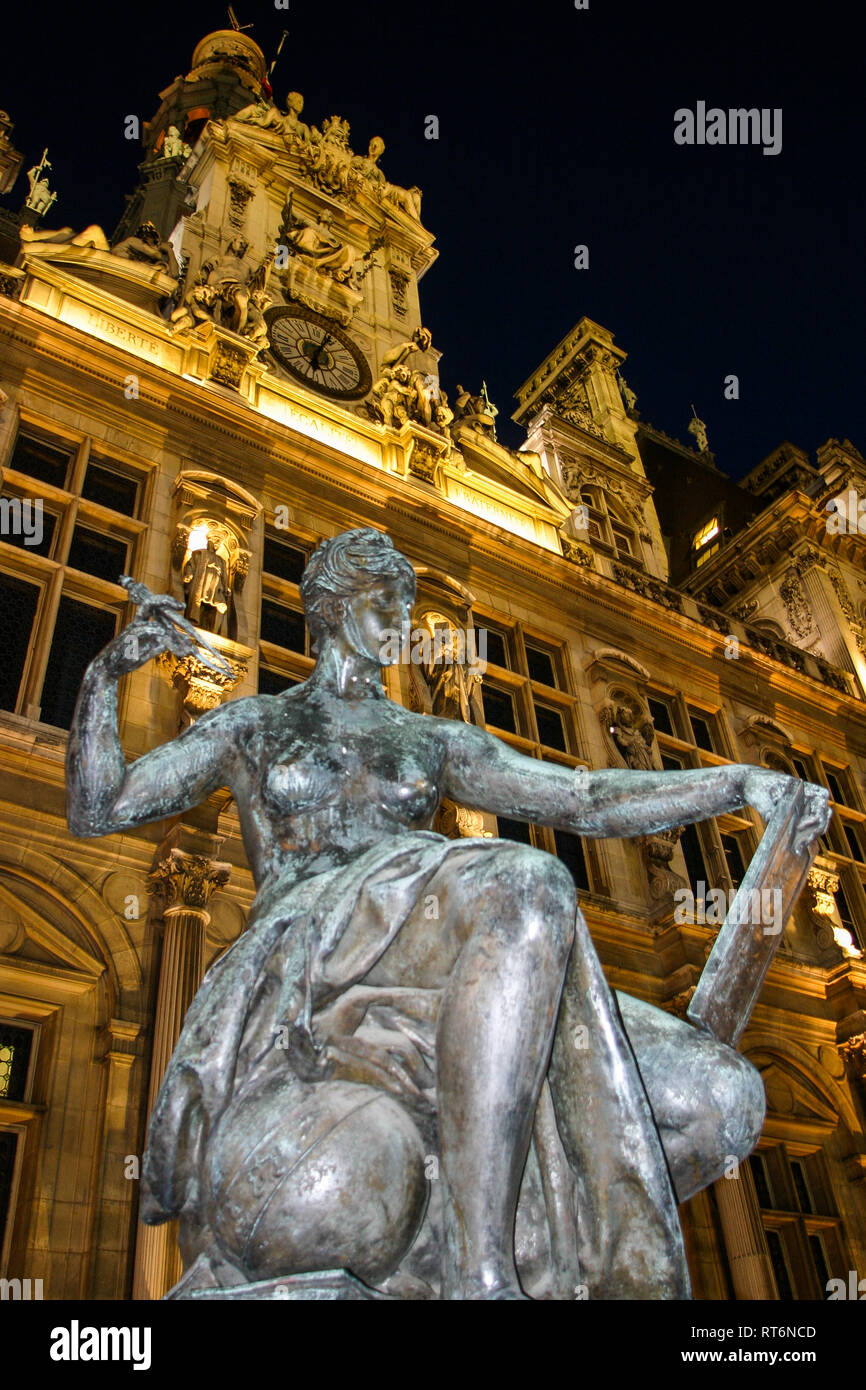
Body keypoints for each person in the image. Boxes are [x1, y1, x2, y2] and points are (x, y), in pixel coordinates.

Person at [66, 528, 830, 1300]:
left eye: (407, 603)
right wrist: (106, 675)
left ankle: (538, 1253)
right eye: (384, 603)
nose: (403, 621)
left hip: (428, 930)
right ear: (331, 608)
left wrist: (734, 784)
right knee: (527, 883)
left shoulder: (428, 738)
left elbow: (583, 798)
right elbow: (101, 806)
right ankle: (482, 1272)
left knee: (721, 1098)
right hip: (311, 938)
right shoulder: (256, 725)